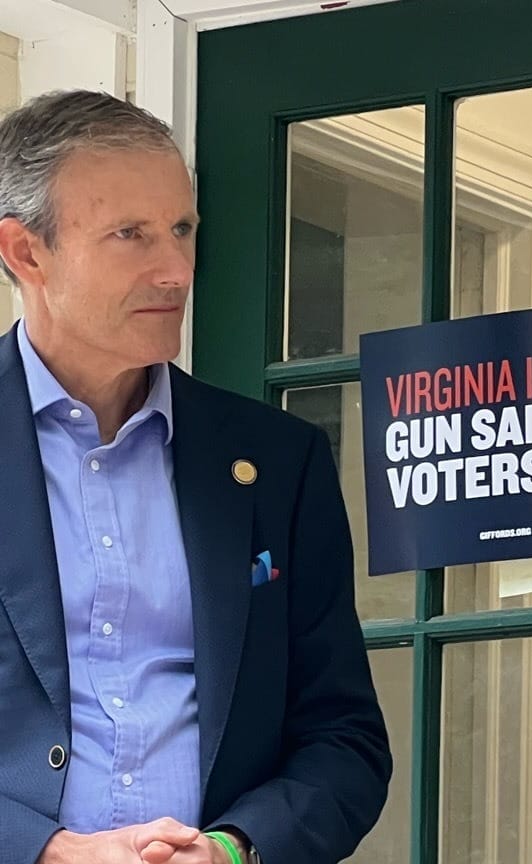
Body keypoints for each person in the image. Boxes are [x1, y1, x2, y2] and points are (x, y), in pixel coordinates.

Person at [0, 90, 390, 864]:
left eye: (182, 229)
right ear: (26, 252)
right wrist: (46, 850)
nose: (176, 269)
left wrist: (234, 849)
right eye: (130, 235)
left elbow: (342, 740)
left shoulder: (280, 462)